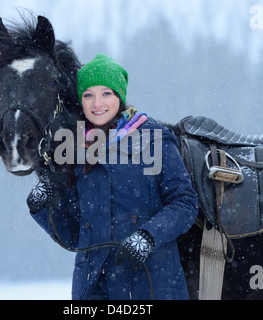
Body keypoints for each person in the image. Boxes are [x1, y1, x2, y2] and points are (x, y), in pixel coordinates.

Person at [27, 53, 198, 300]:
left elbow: (185, 203)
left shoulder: (153, 139)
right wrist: (44, 208)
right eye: (88, 95)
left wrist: (147, 236)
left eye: (106, 93)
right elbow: (76, 235)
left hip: (150, 285)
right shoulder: (76, 150)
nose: (97, 104)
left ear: (119, 96)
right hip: (93, 288)